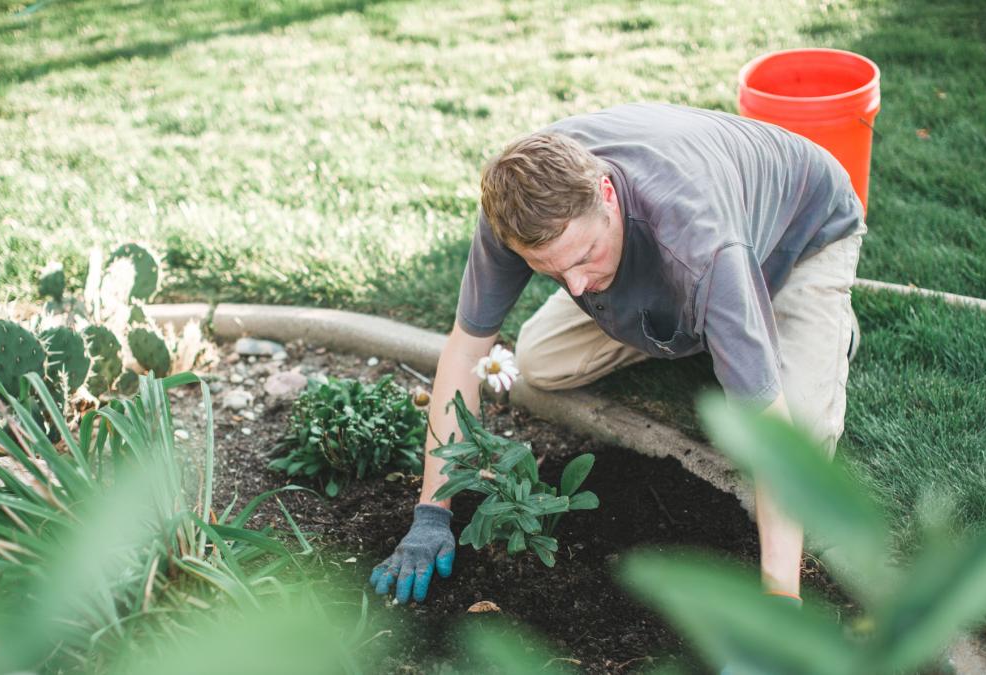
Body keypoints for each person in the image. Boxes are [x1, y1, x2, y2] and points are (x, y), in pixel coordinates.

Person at [367, 102, 867, 616]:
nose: (577, 286)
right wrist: (431, 513)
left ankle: (808, 329)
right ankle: (713, 328)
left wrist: (780, 599)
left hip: (801, 233)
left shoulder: (702, 243)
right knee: (540, 362)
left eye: (584, 256)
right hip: (686, 255)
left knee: (799, 441)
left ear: (606, 194)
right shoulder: (515, 209)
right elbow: (466, 351)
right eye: (551, 271)